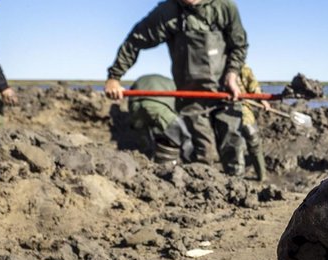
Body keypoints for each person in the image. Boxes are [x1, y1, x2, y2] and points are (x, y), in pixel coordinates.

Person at [104, 0, 248, 174]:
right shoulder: (167, 12)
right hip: (191, 96)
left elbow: (239, 45)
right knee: (203, 153)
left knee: (233, 147)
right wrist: (114, 76)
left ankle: (237, 192)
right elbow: (135, 40)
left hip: (225, 92)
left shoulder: (224, 7)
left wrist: (232, 74)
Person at [127, 74, 193, 164]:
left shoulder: (146, 79)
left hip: (135, 106)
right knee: (184, 136)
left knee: (145, 140)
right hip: (156, 105)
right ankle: (191, 163)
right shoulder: (175, 84)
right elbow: (180, 108)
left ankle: (144, 161)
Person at [238, 64, 270, 181]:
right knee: (235, 145)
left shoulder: (240, 66)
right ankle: (237, 180)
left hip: (242, 108)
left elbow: (253, 85)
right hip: (222, 109)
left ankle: (262, 177)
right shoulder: (215, 63)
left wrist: (262, 100)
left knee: (253, 140)